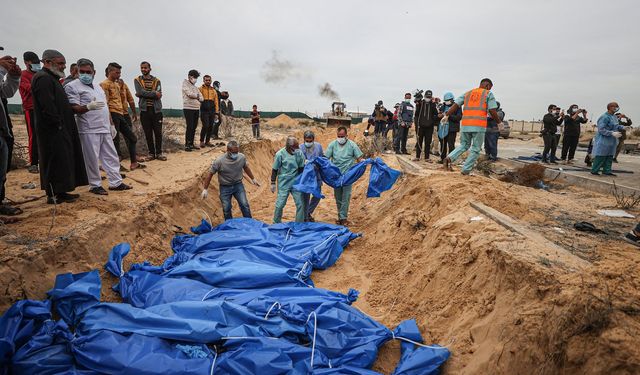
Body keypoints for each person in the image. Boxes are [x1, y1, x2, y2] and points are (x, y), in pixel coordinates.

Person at [65, 58, 132, 195]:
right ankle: (95, 185)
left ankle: (116, 182)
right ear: (77, 71)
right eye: (81, 71)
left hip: (104, 127)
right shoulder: (72, 86)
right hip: (88, 128)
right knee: (92, 158)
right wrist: (88, 107)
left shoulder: (97, 87)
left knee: (111, 156)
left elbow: (105, 106)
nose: (85, 74)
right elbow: (73, 107)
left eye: (88, 72)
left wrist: (111, 124)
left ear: (94, 72)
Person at [31, 49, 88, 204]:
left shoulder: (52, 78)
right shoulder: (42, 78)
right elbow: (47, 106)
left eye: (63, 63)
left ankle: (61, 191)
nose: (63, 66)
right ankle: (53, 194)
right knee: (52, 160)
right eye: (60, 63)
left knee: (62, 160)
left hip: (60, 128)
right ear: (48, 62)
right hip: (51, 130)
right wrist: (58, 124)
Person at [443, 78, 503, 175]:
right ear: (487, 86)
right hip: (478, 126)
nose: (490, 90)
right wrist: (499, 122)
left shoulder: (468, 93)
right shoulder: (488, 94)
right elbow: (492, 110)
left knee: (464, 145)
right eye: (490, 88)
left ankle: (449, 158)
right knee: (475, 148)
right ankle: (465, 171)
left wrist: (447, 115)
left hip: (466, 125)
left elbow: (456, 105)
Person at [201, 140, 259, 220]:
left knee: (244, 204)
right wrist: (205, 189)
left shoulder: (241, 157)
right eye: (234, 152)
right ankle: (229, 226)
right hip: (225, 187)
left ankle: (250, 222)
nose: (236, 154)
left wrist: (253, 179)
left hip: (238, 185)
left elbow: (246, 167)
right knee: (226, 208)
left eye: (237, 152)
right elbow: (210, 174)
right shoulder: (219, 161)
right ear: (228, 150)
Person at [101, 62, 144, 171]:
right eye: (117, 72)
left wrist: (131, 112)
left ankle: (134, 162)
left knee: (132, 138)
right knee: (114, 141)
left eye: (120, 72)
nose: (119, 75)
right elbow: (105, 103)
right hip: (112, 114)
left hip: (121, 113)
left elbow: (126, 99)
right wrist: (110, 120)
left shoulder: (117, 84)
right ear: (110, 72)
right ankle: (115, 166)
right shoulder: (104, 84)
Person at [325, 126, 363, 225]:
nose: (340, 138)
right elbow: (325, 158)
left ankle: (344, 218)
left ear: (346, 135)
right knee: (338, 196)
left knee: (346, 196)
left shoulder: (352, 145)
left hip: (347, 176)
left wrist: (364, 163)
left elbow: (359, 158)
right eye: (338, 136)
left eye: (342, 136)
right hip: (336, 176)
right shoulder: (332, 145)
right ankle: (340, 217)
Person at [0, 54, 22, 215]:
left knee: (2, 171)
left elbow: (6, 92)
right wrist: (1, 69)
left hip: (2, 130)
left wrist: (14, 77)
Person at [134, 61, 165, 161]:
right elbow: (140, 91)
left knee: (158, 133)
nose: (143, 69)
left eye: (145, 68)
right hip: (144, 110)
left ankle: (159, 153)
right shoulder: (137, 80)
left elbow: (159, 94)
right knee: (148, 133)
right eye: (142, 68)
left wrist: (143, 94)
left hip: (156, 110)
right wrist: (153, 93)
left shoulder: (157, 81)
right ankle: (151, 153)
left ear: (150, 69)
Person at [271, 136, 306, 223]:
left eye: (297, 147)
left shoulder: (299, 153)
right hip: (284, 182)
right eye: (295, 147)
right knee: (280, 204)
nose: (297, 149)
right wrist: (272, 182)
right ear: (289, 147)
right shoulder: (280, 154)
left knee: (300, 204)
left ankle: (299, 223)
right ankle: (276, 222)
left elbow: (301, 167)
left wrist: (301, 181)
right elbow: (275, 169)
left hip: (295, 181)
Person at [19, 51, 41, 174]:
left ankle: (42, 160)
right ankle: (33, 163)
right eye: (35, 62)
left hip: (42, 108)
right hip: (30, 108)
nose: (37, 65)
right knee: (33, 135)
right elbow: (30, 89)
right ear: (27, 62)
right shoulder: (23, 75)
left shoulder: (40, 74)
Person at [591, 102, 626, 176]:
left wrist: (622, 127)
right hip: (604, 139)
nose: (616, 108)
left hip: (612, 140)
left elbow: (616, 126)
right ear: (609, 107)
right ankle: (595, 170)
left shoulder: (614, 117)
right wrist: (611, 133)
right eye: (615, 106)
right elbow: (601, 129)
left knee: (610, 156)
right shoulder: (604, 117)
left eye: (617, 106)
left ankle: (607, 171)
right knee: (601, 155)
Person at [299, 130, 323, 222]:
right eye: (307, 141)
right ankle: (305, 217)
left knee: (317, 195)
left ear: (313, 139)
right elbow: (298, 160)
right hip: (305, 175)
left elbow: (322, 157)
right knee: (305, 197)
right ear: (304, 139)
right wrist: (304, 163)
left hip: (316, 174)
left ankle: (308, 212)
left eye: (310, 141)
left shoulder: (318, 146)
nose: (308, 143)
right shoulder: (300, 148)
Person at [414, 90, 439, 161]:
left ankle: (427, 157)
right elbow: (416, 114)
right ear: (424, 96)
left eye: (429, 97)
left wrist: (434, 104)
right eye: (427, 97)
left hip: (429, 127)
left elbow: (436, 114)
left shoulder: (433, 104)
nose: (428, 98)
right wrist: (418, 104)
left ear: (431, 97)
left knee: (428, 143)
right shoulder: (421, 103)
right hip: (421, 126)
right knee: (419, 142)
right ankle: (417, 157)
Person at [182, 69, 203, 151]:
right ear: (190, 76)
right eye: (194, 77)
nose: (195, 79)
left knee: (194, 127)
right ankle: (187, 144)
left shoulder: (195, 87)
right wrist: (197, 96)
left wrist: (197, 96)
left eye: (196, 77)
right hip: (188, 108)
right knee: (190, 126)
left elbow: (202, 98)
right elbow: (189, 94)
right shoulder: (185, 84)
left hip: (196, 108)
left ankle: (191, 144)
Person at [439, 92, 461, 163]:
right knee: (443, 145)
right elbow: (439, 114)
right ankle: (443, 159)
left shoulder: (457, 107)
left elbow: (458, 117)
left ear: (452, 100)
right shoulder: (443, 106)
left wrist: (448, 115)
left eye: (448, 100)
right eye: (445, 100)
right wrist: (440, 115)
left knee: (451, 145)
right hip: (443, 129)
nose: (446, 102)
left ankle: (451, 160)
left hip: (452, 129)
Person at [198, 75, 219, 148]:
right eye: (206, 80)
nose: (208, 81)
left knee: (210, 126)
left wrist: (216, 112)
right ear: (203, 81)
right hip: (204, 110)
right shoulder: (200, 89)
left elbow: (216, 102)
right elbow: (198, 99)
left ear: (211, 81)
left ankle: (207, 141)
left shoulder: (213, 90)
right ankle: (201, 141)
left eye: (209, 80)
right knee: (205, 126)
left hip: (212, 111)